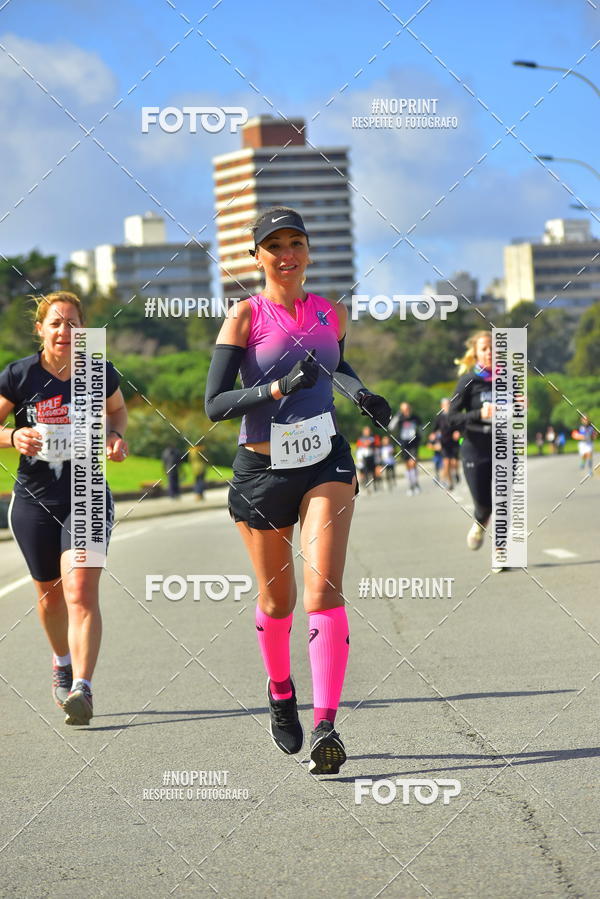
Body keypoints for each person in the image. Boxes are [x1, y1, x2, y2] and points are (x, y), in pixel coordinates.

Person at [205, 206, 391, 774]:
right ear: (258, 256)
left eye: (296, 244)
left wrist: (363, 394)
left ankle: (327, 725)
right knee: (276, 602)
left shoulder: (328, 312)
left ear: (308, 251)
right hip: (263, 471)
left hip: (325, 461)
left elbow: (340, 364)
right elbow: (215, 404)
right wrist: (278, 388)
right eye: (275, 246)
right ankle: (281, 689)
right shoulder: (244, 317)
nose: (287, 255)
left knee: (323, 590)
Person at [0, 292, 128, 725]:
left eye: (73, 324)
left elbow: (117, 413)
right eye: (55, 324)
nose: (65, 332)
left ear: (84, 329)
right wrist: (12, 438)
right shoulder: (19, 375)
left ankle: (82, 688)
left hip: (87, 491)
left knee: (79, 592)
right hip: (34, 497)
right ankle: (61, 661)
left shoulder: (97, 371)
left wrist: (114, 438)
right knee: (51, 596)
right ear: (40, 329)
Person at [447, 331, 495, 558]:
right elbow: (451, 418)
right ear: (475, 352)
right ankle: (480, 522)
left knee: (505, 502)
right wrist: (478, 413)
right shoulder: (468, 381)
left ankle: (502, 552)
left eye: (494, 348)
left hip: (503, 446)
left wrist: (521, 406)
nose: (490, 353)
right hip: (475, 449)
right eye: (485, 348)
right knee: (484, 505)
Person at [390, 401, 422, 495]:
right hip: (404, 444)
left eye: (407, 408)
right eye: (403, 409)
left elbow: (421, 429)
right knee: (407, 465)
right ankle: (411, 485)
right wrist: (398, 415)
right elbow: (391, 427)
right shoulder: (399, 418)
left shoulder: (415, 418)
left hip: (414, 444)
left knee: (413, 463)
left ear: (410, 408)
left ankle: (416, 483)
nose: (406, 411)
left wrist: (420, 436)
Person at [434, 397, 460, 489]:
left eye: (449, 404)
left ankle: (456, 473)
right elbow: (435, 430)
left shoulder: (454, 415)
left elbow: (459, 426)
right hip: (444, 443)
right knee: (447, 463)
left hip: (454, 442)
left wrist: (458, 432)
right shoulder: (439, 417)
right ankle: (450, 482)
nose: (447, 406)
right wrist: (435, 439)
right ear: (442, 406)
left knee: (454, 462)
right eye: (446, 405)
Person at [355, 425, 379, 493]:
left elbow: (376, 445)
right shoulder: (360, 438)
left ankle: (375, 485)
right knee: (365, 472)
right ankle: (367, 486)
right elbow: (359, 447)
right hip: (364, 457)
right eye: (366, 431)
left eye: (368, 431)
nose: (367, 432)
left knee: (373, 472)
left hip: (371, 456)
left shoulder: (373, 438)